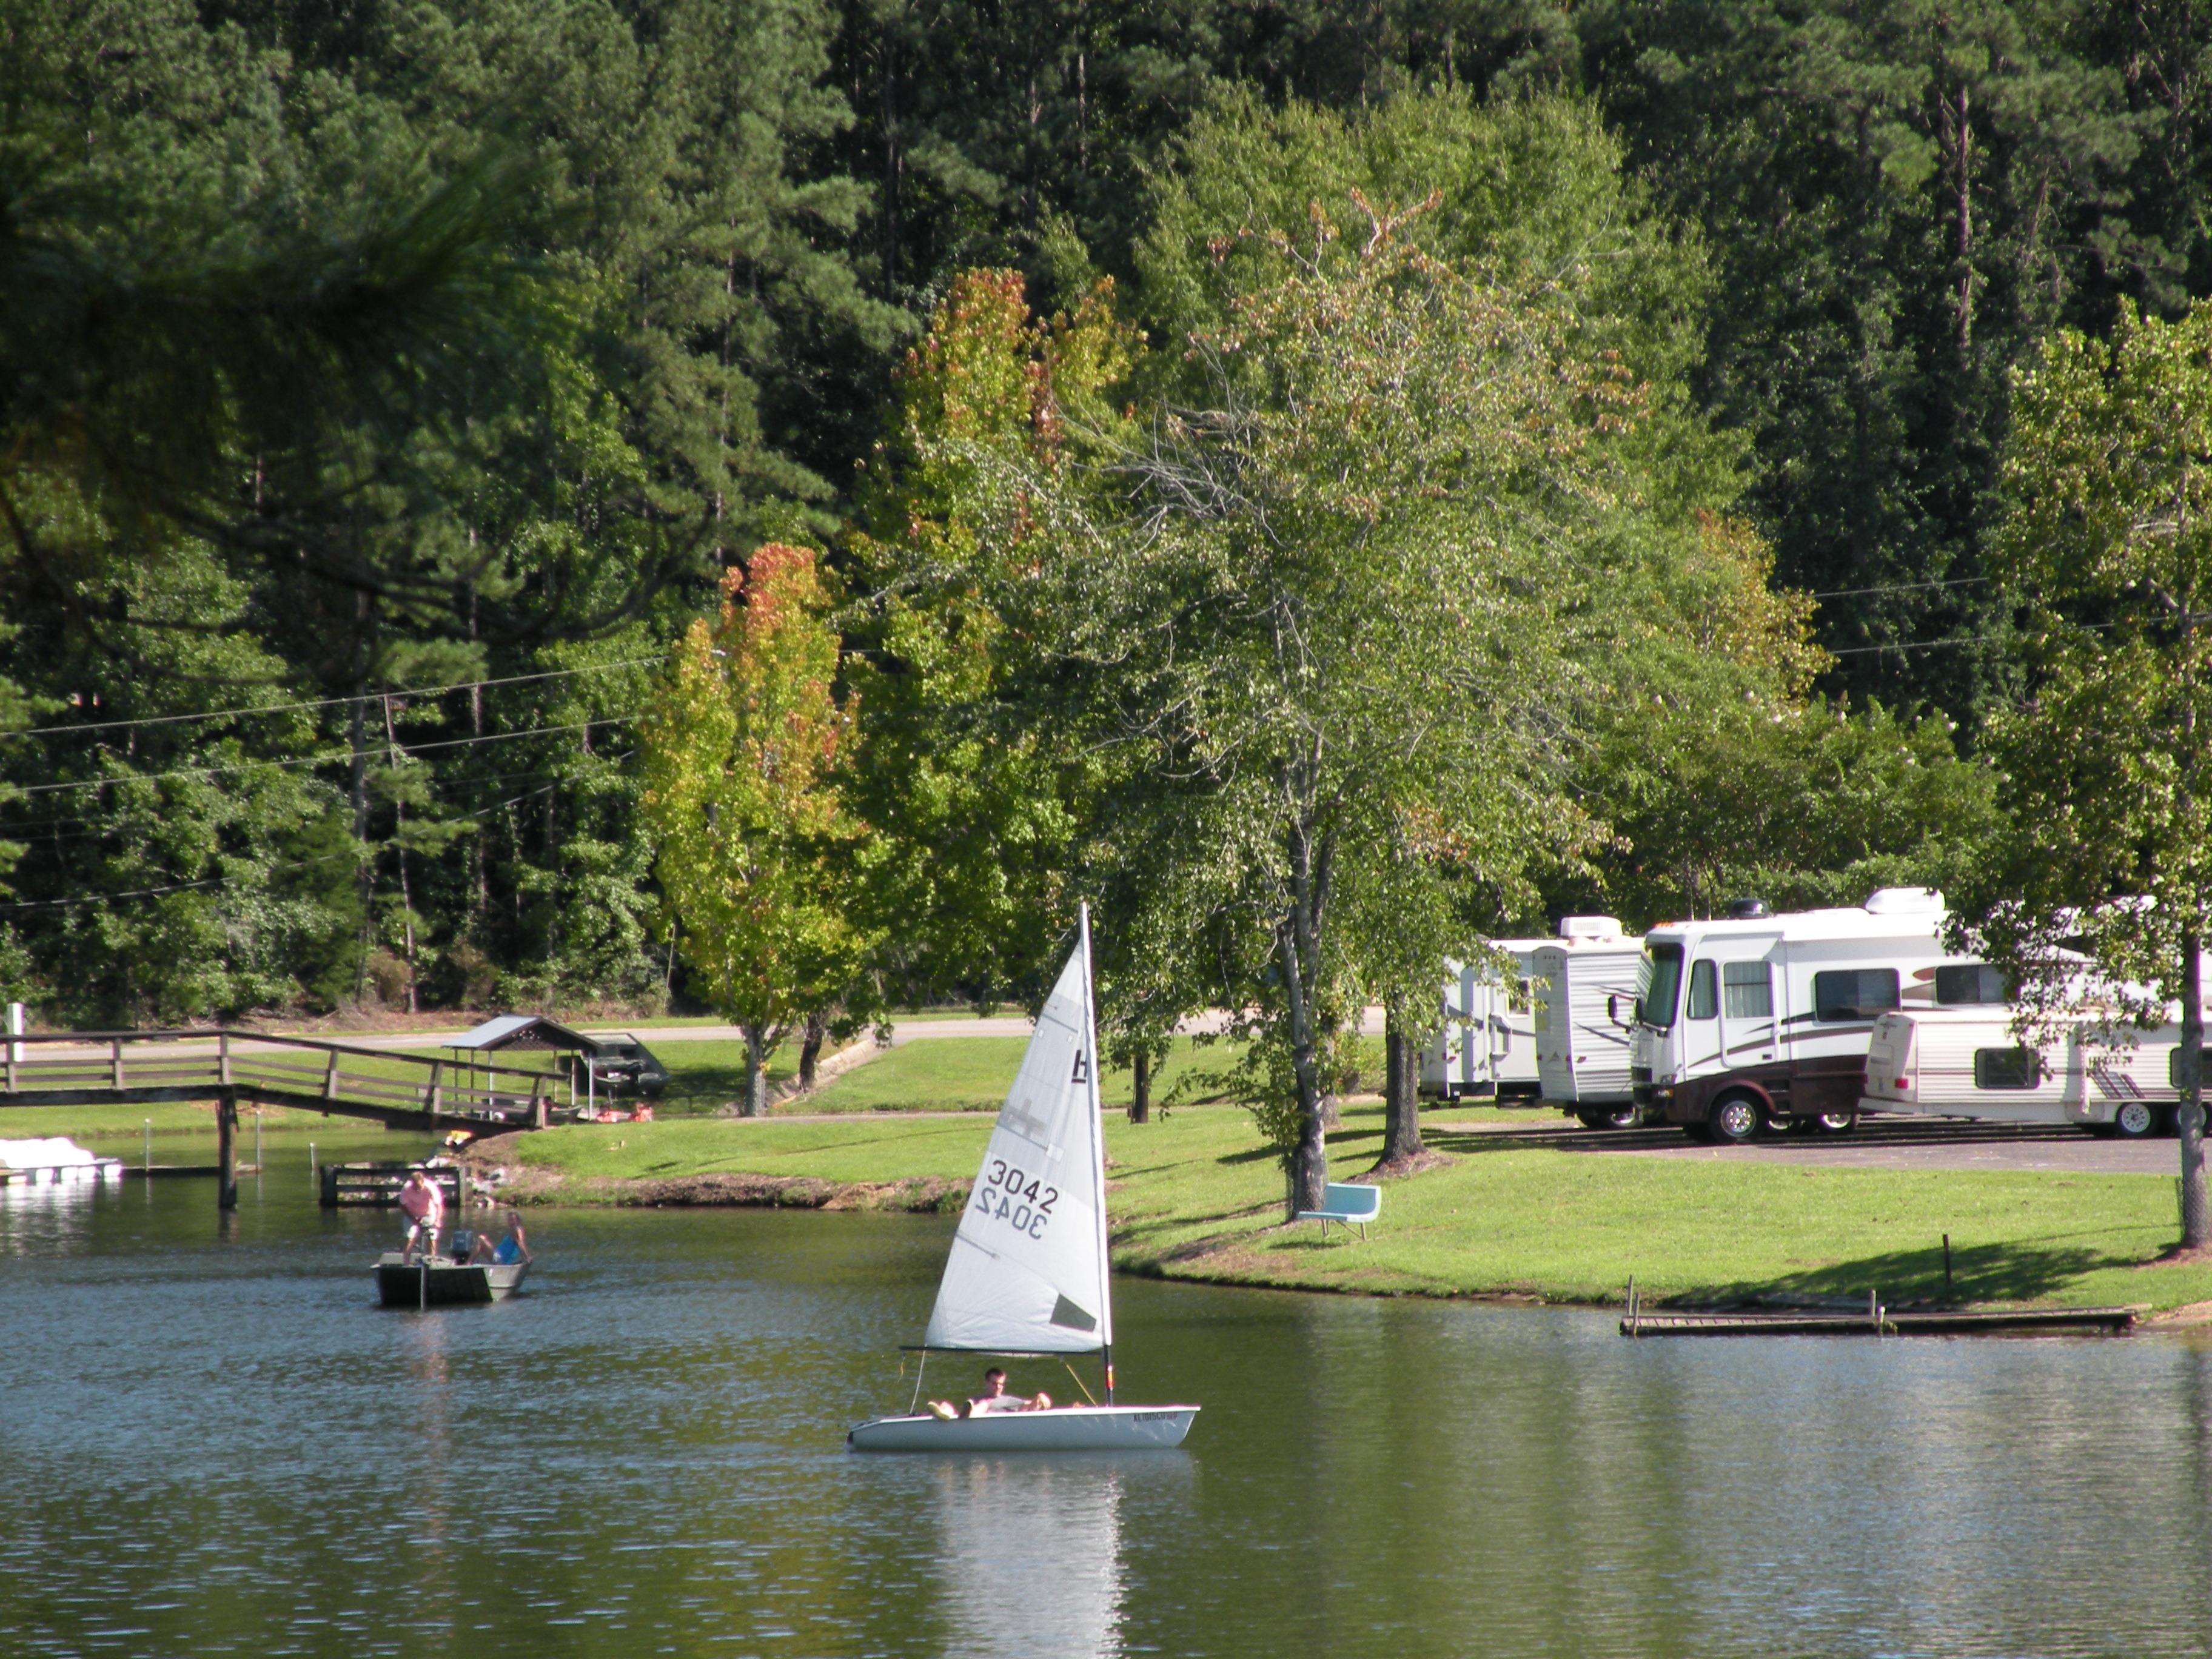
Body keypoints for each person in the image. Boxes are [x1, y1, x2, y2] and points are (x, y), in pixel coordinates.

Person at [926, 1366, 1053, 1419]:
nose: (998, 1387)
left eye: (1001, 1384)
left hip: (975, 1419)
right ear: (986, 1383)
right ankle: (941, 1413)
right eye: (994, 1384)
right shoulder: (977, 1398)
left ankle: (968, 1414)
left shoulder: (1008, 1400)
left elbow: (1029, 1404)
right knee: (946, 1405)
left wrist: (1041, 1397)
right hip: (962, 1417)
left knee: (984, 1404)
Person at [397, 1167, 445, 1264]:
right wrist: (412, 1218)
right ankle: (406, 1263)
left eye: (419, 1187)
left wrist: (438, 1220)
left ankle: (432, 1261)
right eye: (415, 1187)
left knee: (432, 1236)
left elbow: (439, 1206)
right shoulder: (407, 1188)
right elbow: (402, 1206)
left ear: (423, 1182)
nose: (418, 1190)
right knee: (410, 1237)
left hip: (428, 1213)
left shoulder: (431, 1187)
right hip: (412, 1213)